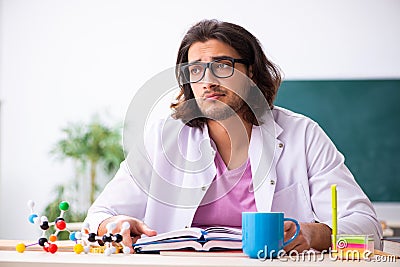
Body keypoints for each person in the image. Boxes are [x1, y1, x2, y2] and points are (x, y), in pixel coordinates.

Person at [84, 19, 382, 253]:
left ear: (251, 72)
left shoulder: (302, 134)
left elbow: (367, 227)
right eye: (196, 70)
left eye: (222, 67)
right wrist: (114, 223)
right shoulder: (163, 137)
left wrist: (315, 233)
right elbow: (101, 214)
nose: (208, 81)